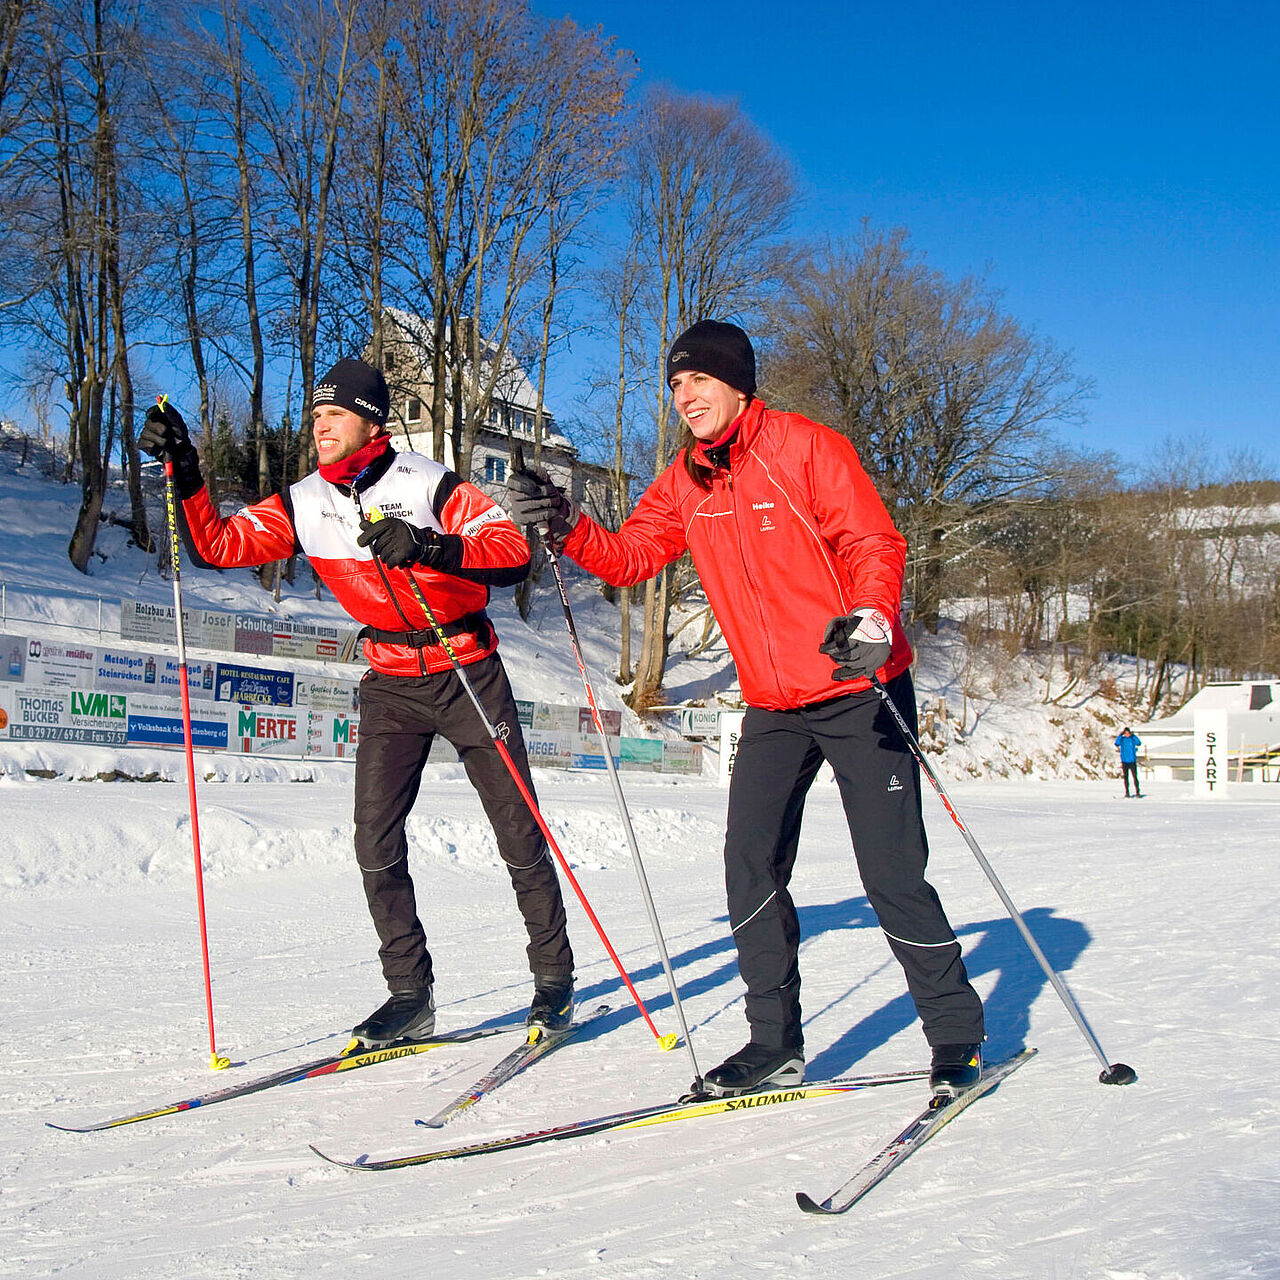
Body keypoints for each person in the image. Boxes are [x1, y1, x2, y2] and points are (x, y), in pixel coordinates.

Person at [507, 320, 984, 1098]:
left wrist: (872, 618)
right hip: (772, 700)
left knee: (892, 873)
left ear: (738, 384)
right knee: (748, 863)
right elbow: (630, 558)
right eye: (675, 385)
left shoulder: (805, 449)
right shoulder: (684, 481)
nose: (684, 395)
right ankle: (774, 1042)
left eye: (698, 380)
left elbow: (872, 542)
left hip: (857, 681)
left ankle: (956, 1037)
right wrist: (566, 523)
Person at [139, 358, 575, 1047]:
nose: (320, 426)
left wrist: (428, 544)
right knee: (375, 844)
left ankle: (553, 984)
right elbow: (215, 546)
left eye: (333, 414)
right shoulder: (304, 500)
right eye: (314, 415)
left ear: (371, 421)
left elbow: (509, 552)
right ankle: (410, 996)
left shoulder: (428, 481)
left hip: (466, 671)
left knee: (518, 834)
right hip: (391, 684)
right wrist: (187, 469)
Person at [1115, 727, 1143, 798]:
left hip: (1132, 761)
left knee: (1135, 777)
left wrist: (1134, 736)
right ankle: (1127, 792)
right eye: (1125, 733)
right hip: (1125, 761)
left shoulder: (1132, 739)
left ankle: (1137, 792)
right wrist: (1120, 735)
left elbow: (1139, 743)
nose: (1127, 734)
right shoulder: (1122, 740)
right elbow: (1117, 743)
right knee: (1126, 778)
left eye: (1128, 733)